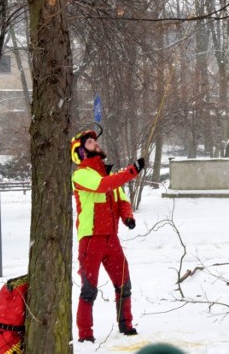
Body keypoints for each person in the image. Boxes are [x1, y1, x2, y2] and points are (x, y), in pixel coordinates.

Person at [70, 127, 145, 343]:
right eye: (90, 142)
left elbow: (121, 199)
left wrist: (127, 216)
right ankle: (85, 336)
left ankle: (126, 325)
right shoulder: (80, 174)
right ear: (81, 152)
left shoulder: (109, 174)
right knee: (89, 290)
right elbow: (103, 187)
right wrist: (132, 171)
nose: (96, 143)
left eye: (95, 140)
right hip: (91, 239)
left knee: (124, 283)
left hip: (112, 239)